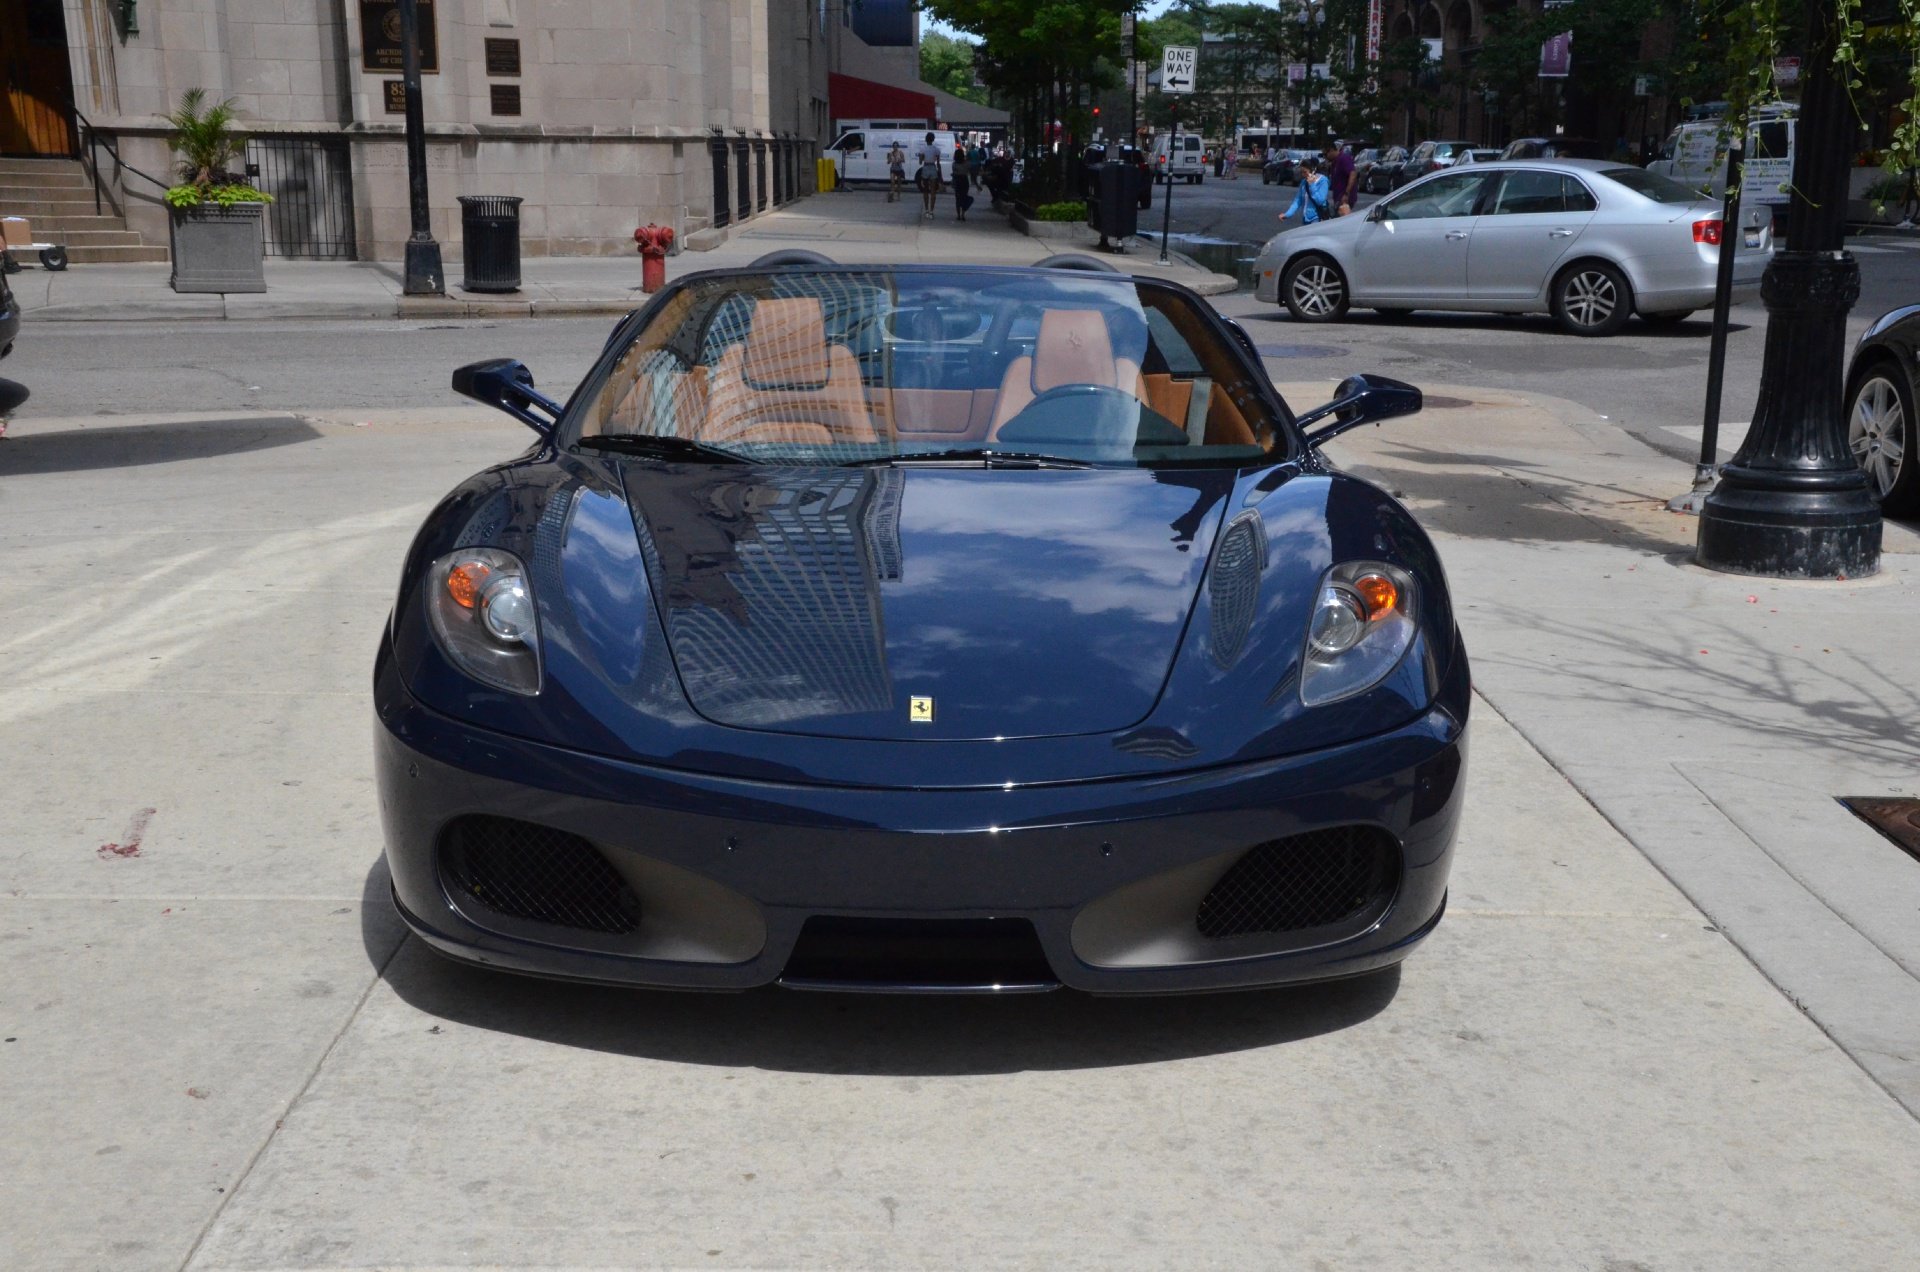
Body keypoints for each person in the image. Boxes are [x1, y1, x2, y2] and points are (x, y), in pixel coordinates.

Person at [1280, 156, 1332, 225]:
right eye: (1301, 172)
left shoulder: (1323, 181)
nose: (1303, 175)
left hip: (1317, 218)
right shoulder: (1304, 182)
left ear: (1313, 170)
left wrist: (1312, 185)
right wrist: (1287, 214)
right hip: (1306, 218)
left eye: (1305, 172)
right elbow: (1298, 200)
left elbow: (1320, 200)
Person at [914, 132, 943, 219]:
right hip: (933, 168)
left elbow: (920, 162)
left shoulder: (922, 149)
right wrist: (940, 175)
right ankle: (931, 211)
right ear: (933, 139)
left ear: (926, 139)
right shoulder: (936, 149)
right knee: (933, 191)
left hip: (926, 167)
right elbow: (938, 163)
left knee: (925, 190)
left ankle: (926, 210)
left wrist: (921, 157)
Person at [1323, 141, 1356, 215]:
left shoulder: (1343, 159)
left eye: (1325, 154)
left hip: (1344, 198)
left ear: (1331, 150)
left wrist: (1346, 193)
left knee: (1342, 221)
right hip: (1338, 197)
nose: (1325, 157)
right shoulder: (1335, 162)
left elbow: (1352, 174)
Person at [951, 147, 974, 221]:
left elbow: (954, 173)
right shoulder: (967, 164)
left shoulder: (954, 164)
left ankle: (958, 215)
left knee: (958, 199)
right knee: (964, 197)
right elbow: (971, 172)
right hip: (964, 181)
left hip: (957, 181)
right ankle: (963, 214)